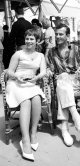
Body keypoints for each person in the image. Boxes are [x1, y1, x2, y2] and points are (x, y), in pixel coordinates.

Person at [46, 23, 80, 147]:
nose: (58, 36)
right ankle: (76, 118)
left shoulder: (75, 49)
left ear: (67, 36)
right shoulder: (51, 52)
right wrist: (48, 71)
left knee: (63, 83)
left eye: (61, 34)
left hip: (75, 81)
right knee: (62, 81)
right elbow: (49, 68)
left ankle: (65, 130)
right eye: (57, 34)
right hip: (60, 83)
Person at [6, 29, 46, 161]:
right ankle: (25, 139)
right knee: (26, 101)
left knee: (36, 99)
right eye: (27, 38)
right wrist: (17, 77)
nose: (29, 41)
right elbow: (9, 71)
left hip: (30, 83)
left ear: (37, 41)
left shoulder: (40, 55)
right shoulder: (18, 54)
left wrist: (36, 78)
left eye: (32, 39)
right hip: (16, 83)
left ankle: (33, 132)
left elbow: (43, 72)